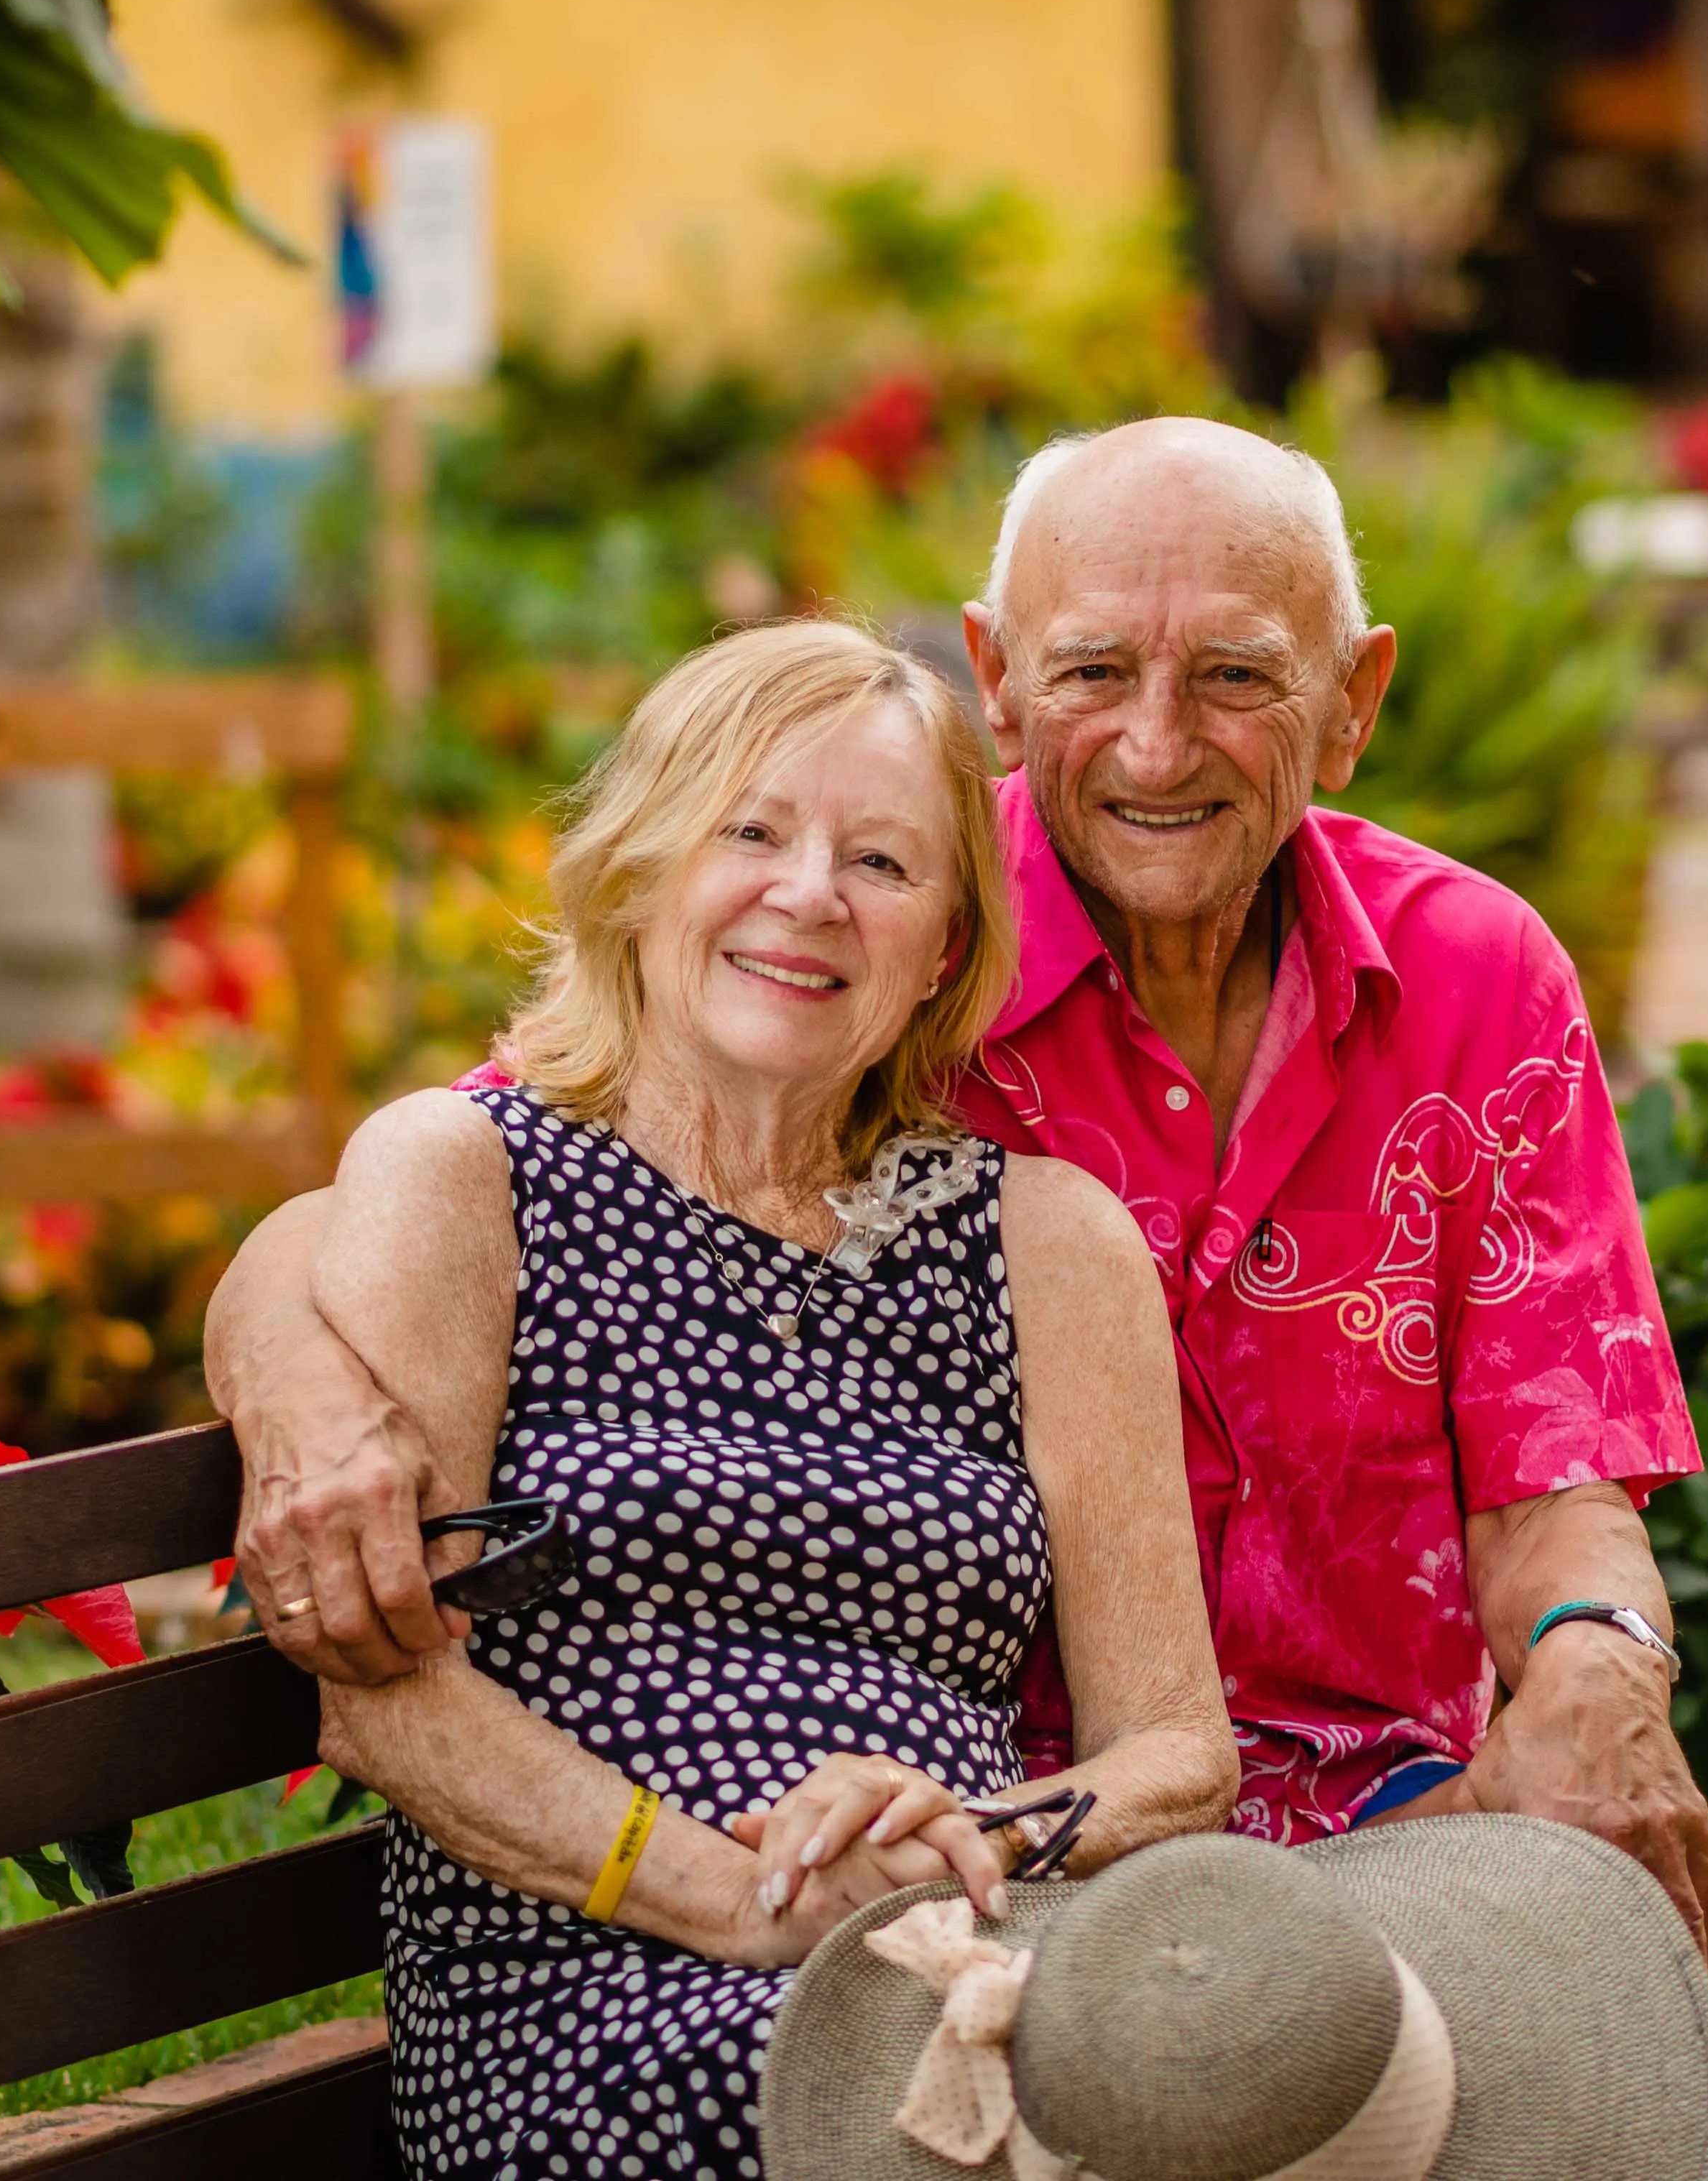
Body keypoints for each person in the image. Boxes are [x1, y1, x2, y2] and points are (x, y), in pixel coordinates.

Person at [217, 417, 1708, 2131]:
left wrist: (1602, 1668)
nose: (1159, 741)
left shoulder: (1469, 976)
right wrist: (298, 1382)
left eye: (1238, 674)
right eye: (1096, 666)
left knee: (1670, 2087)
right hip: (988, 1886)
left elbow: (1558, 1462)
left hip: (1378, 1826)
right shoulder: (860, 959)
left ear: (1354, 695)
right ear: (999, 676)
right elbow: (473, 1168)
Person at [283, 619, 1237, 2180]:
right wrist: (747, 1902)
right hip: (591, 1996)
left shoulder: (1044, 1238)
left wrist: (962, 1836)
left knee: (1246, 2068)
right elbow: (389, 1698)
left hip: (961, 1950)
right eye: (752, 830)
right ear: (645, 862)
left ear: (943, 942)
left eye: (882, 859)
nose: (810, 894)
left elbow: (1176, 1750)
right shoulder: (470, 1174)